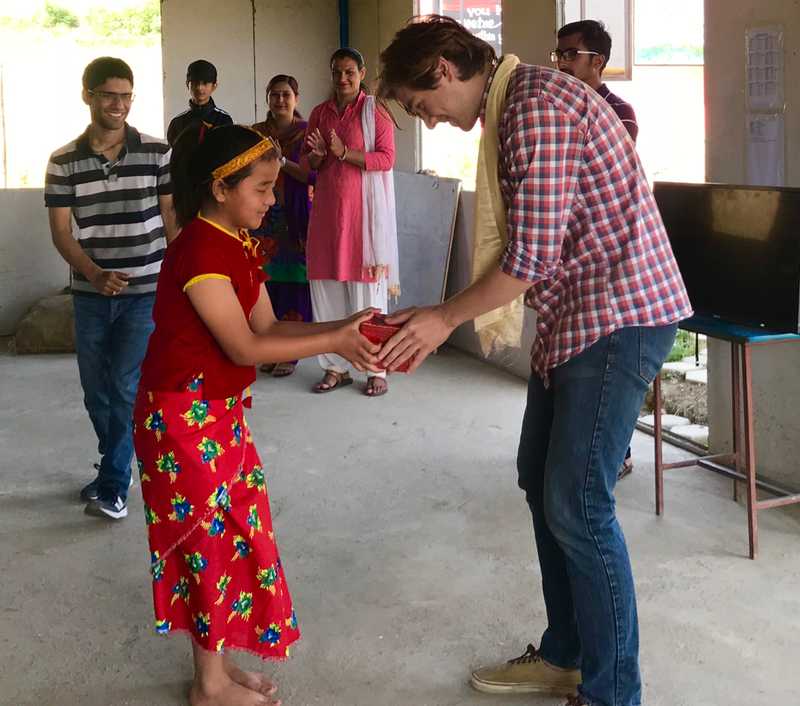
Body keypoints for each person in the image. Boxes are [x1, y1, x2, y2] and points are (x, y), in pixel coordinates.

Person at [376, 15, 692, 706]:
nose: (419, 113)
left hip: (619, 316)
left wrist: (443, 318)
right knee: (540, 481)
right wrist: (439, 313)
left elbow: (531, 258)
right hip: (580, 316)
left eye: (416, 99)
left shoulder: (536, 107)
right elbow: (544, 257)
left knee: (579, 504)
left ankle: (614, 692)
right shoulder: (515, 106)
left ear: (444, 70)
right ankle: (567, 655)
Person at [133, 124, 380, 706]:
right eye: (262, 188)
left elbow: (268, 327)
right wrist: (336, 343)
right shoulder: (198, 249)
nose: (273, 200)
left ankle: (215, 666)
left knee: (236, 536)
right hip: (181, 420)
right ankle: (208, 683)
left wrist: (341, 330)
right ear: (220, 187)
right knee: (206, 544)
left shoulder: (236, 242)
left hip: (219, 416)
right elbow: (245, 347)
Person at [45, 56, 177, 520]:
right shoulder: (63, 162)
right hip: (91, 294)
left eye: (125, 95)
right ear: (89, 96)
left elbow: (171, 220)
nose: (118, 104)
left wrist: (184, 278)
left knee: (124, 386)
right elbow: (62, 232)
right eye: (108, 95)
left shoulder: (158, 152)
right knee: (94, 389)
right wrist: (95, 274)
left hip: (146, 291)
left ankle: (115, 484)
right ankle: (115, 464)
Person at [552, 19, 639, 480]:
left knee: (606, 359)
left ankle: (616, 452)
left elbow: (592, 182)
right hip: (567, 255)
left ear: (597, 62)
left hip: (609, 254)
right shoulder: (558, 107)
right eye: (559, 54)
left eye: (571, 55)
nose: (562, 63)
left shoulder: (616, 111)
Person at [302, 47, 399, 397]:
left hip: (364, 222)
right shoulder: (319, 113)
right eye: (336, 72)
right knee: (327, 294)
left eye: (349, 72)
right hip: (328, 216)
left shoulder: (376, 112)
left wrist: (345, 153)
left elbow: (386, 159)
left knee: (367, 298)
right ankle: (334, 367)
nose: (342, 79)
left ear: (361, 73)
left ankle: (376, 368)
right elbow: (309, 163)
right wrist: (316, 157)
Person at [251, 75, 314, 378]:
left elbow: (310, 175)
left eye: (286, 95)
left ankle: (292, 353)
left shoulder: (307, 133)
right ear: (267, 98)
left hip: (296, 220)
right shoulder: (255, 133)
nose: (280, 100)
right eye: (274, 95)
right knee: (267, 285)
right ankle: (271, 349)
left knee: (296, 287)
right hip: (262, 220)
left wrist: (281, 160)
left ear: (296, 99)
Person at [167, 59, 233, 146]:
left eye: (205, 83)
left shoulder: (224, 120)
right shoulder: (177, 123)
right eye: (195, 83)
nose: (199, 88)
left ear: (214, 86)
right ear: (188, 85)